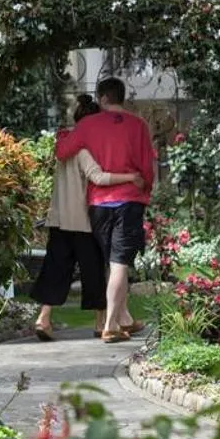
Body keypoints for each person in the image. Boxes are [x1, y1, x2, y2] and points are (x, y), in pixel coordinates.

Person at [32, 94, 143, 340]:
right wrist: (130, 177)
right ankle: (101, 322)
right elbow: (98, 177)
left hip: (60, 218)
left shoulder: (63, 143)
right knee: (94, 271)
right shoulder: (85, 148)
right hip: (84, 219)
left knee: (55, 268)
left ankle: (43, 318)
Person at [54, 77, 157, 343]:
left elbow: (63, 152)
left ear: (102, 98)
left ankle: (122, 319)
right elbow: (147, 167)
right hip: (129, 200)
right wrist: (144, 192)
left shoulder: (88, 125)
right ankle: (110, 325)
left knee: (112, 263)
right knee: (120, 262)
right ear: (122, 97)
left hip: (98, 204)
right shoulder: (138, 125)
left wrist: (64, 135)